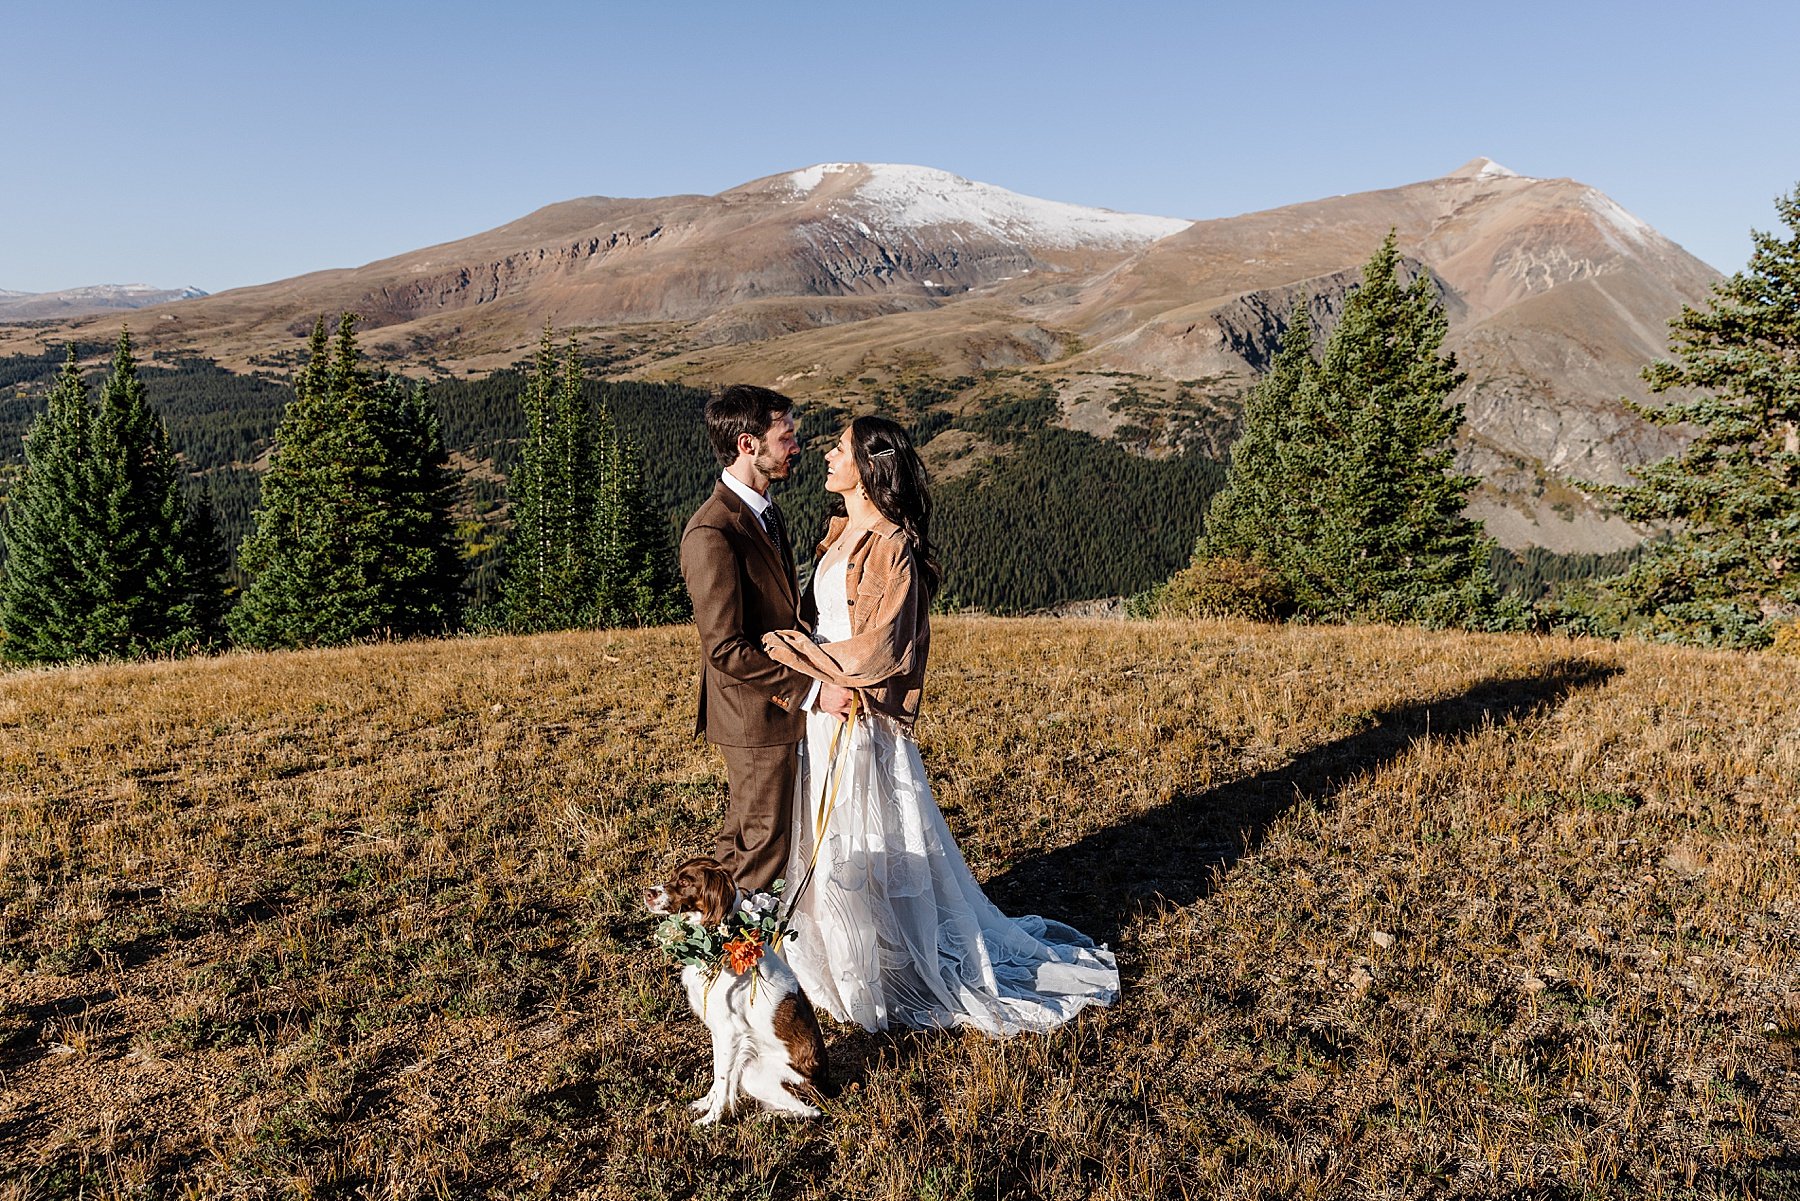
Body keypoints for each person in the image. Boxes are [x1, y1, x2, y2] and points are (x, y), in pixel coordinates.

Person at [762, 416, 1119, 1036]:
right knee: (833, 836)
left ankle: (879, 968)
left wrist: (794, 653)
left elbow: (881, 649)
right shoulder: (840, 533)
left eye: (839, 448)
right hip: (829, 710)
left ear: (868, 467)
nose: (825, 455)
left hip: (861, 717)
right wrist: (815, 672)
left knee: (864, 832)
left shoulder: (892, 544)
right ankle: (844, 959)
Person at [679, 385, 853, 892]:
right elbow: (724, 647)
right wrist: (814, 692)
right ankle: (740, 963)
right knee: (764, 847)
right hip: (754, 715)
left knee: (741, 841)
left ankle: (705, 933)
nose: (796, 446)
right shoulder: (712, 532)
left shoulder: (764, 511)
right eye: (786, 436)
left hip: (769, 712)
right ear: (747, 445)